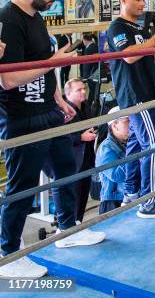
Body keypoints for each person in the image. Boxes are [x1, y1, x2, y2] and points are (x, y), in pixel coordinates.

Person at [0, 0, 105, 278]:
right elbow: (8, 79)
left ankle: (68, 230)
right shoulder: (7, 21)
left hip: (48, 112)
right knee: (23, 186)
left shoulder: (37, 19)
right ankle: (8, 254)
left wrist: (58, 99)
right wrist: (52, 62)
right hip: (21, 117)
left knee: (66, 169)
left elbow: (48, 67)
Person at [106, 0, 155, 219]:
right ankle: (148, 202)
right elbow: (128, 57)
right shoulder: (117, 27)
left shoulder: (140, 29)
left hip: (146, 90)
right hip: (136, 94)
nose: (142, 3)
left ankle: (131, 192)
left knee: (135, 145)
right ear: (123, 0)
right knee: (152, 144)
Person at [63, 79, 97, 223]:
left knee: (83, 194)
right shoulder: (63, 111)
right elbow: (60, 137)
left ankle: (79, 224)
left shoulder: (85, 106)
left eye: (84, 88)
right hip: (72, 160)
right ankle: (69, 226)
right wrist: (80, 137)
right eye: (79, 90)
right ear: (68, 93)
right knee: (73, 195)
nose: (84, 92)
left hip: (87, 157)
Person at [96, 106, 129, 214]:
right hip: (114, 201)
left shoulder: (129, 142)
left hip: (129, 195)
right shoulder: (106, 148)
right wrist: (135, 155)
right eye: (127, 121)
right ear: (114, 125)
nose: (132, 124)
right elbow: (116, 176)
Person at [80, 32, 99, 106]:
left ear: (85, 39)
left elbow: (86, 65)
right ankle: (91, 104)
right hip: (95, 73)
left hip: (91, 74)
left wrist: (85, 77)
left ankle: (92, 105)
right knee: (93, 91)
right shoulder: (95, 46)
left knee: (93, 91)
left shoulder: (89, 49)